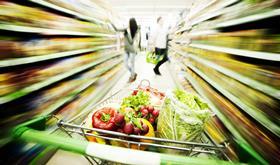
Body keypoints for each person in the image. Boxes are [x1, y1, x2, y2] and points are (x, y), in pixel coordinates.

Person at [111, 18, 140, 82]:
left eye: (129, 23)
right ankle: (133, 73)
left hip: (132, 50)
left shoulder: (135, 31)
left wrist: (128, 33)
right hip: (126, 49)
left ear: (131, 24)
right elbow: (116, 29)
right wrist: (111, 22)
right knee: (125, 64)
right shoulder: (125, 29)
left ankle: (132, 77)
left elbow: (131, 41)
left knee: (132, 64)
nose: (128, 24)